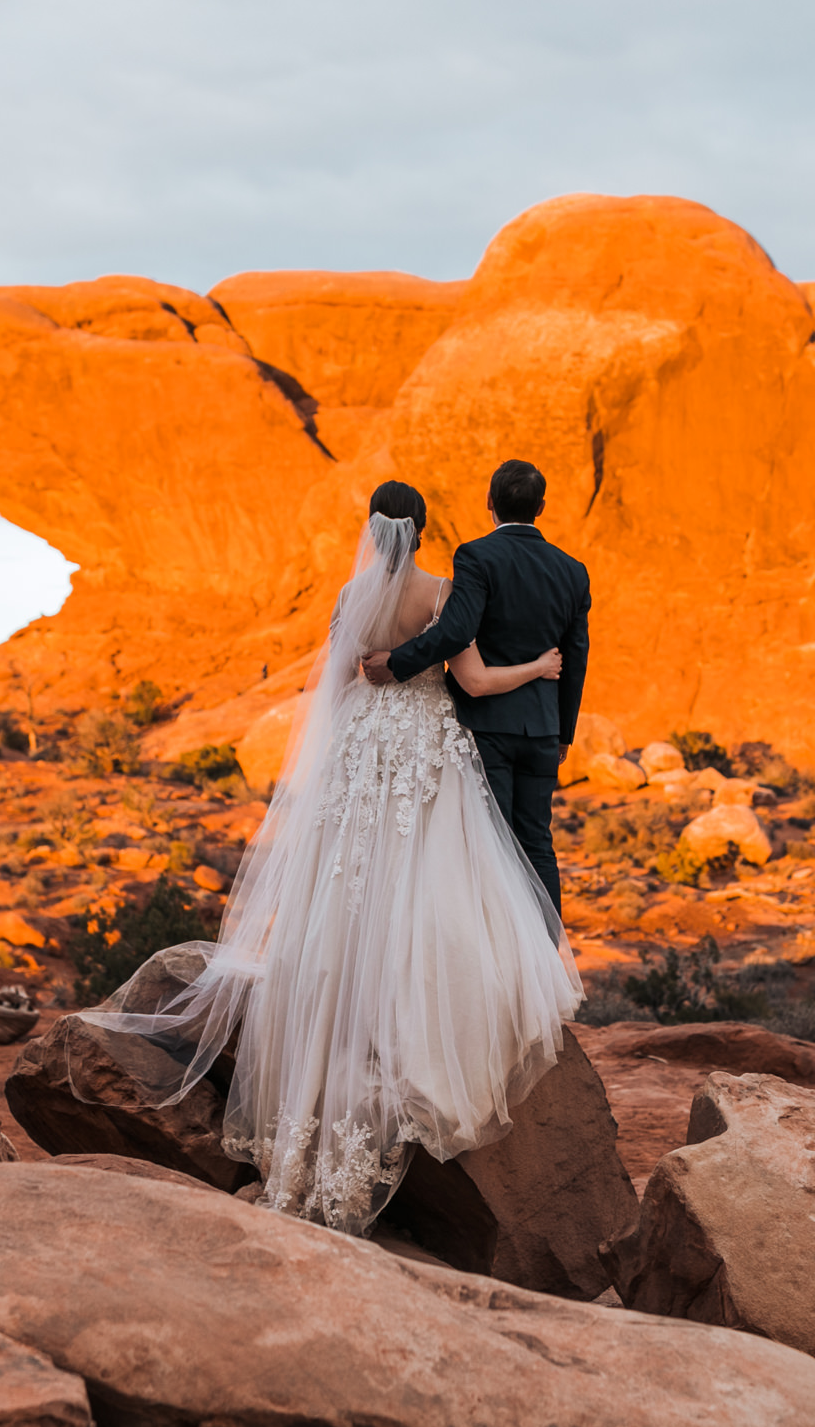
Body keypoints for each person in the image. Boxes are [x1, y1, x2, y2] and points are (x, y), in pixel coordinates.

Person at [65, 480, 582, 1235]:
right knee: (429, 882)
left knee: (341, 890)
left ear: (372, 531)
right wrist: (538, 671)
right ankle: (404, 1048)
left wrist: (356, 732)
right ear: (426, 528)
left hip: (360, 752)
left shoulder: (350, 597)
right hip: (423, 749)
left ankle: (302, 1125)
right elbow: (469, 680)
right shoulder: (443, 591)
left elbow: (335, 693)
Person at [361, 458, 590, 923]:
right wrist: (564, 732)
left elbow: (455, 631)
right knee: (537, 843)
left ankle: (504, 962)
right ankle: (544, 958)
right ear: (541, 507)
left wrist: (397, 663)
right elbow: (577, 658)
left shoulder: (476, 557)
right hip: (543, 728)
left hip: (488, 727)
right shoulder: (573, 570)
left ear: (489, 501)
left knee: (496, 846)